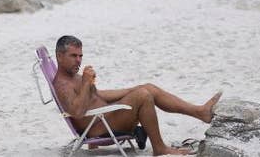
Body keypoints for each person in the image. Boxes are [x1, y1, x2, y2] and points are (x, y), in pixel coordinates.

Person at [51, 35, 222, 156]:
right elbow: (78, 111)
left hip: (105, 117)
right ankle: (159, 148)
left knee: (146, 87)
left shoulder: (74, 76)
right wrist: (87, 82)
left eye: (80, 56)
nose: (78, 60)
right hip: (99, 127)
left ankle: (199, 112)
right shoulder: (62, 84)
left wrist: (130, 89)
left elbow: (97, 95)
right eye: (73, 56)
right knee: (143, 95)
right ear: (59, 56)